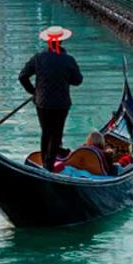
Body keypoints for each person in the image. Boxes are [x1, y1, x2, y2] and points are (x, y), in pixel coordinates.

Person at [19, 26, 83, 171]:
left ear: (48, 42)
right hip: (61, 103)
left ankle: (45, 162)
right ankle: (49, 164)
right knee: (56, 133)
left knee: (46, 132)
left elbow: (22, 77)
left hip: (42, 102)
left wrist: (34, 92)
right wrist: (65, 78)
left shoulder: (38, 58)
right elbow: (78, 80)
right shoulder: (68, 60)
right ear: (61, 42)